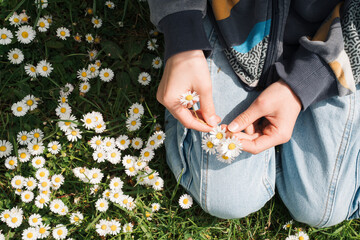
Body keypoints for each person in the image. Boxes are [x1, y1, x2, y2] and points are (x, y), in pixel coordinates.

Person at [147, 0, 360, 228]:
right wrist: (182, 33)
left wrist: (309, 80)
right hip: (234, 24)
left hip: (341, 31)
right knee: (228, 199)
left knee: (322, 210)